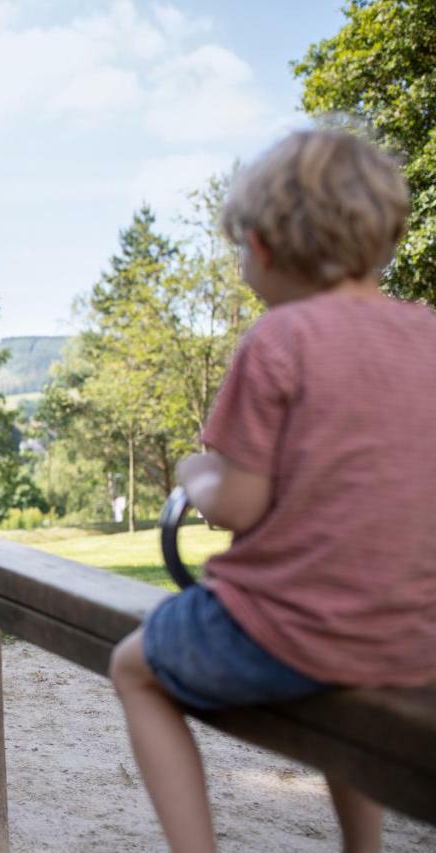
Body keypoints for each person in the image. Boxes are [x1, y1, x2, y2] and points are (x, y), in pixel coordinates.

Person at [108, 128, 436, 853]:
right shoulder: (427, 336)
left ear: (258, 247)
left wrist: (196, 475)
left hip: (294, 634)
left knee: (134, 667)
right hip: (413, 637)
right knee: (346, 692)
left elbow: (239, 505)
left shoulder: (280, 340)